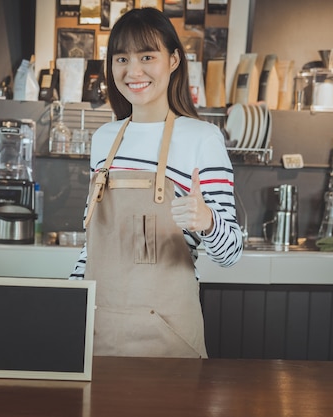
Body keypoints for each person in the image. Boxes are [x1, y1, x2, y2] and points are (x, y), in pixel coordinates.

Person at [70, 7, 243, 358]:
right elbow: (93, 246)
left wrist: (206, 221)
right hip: (99, 332)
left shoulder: (202, 138)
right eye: (122, 59)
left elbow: (231, 254)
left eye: (147, 56)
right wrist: (70, 302)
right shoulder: (104, 138)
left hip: (170, 338)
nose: (133, 71)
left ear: (174, 60)